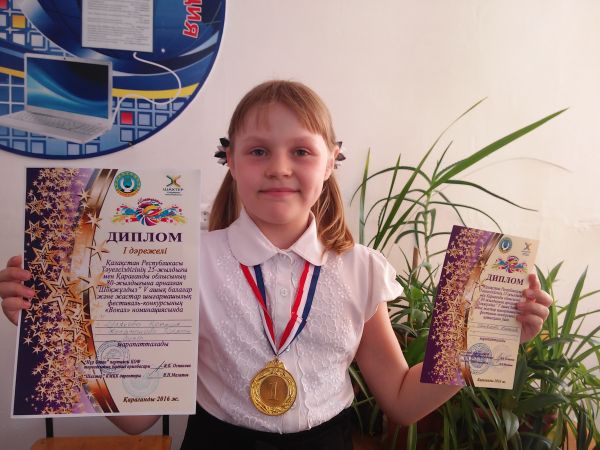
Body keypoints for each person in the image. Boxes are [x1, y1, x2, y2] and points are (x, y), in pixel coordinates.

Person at [0, 80, 552, 450]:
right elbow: (136, 419)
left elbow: (404, 402)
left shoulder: (360, 268)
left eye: (301, 151)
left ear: (331, 161)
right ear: (231, 161)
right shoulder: (179, 262)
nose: (279, 168)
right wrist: (57, 326)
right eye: (258, 150)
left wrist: (489, 338)